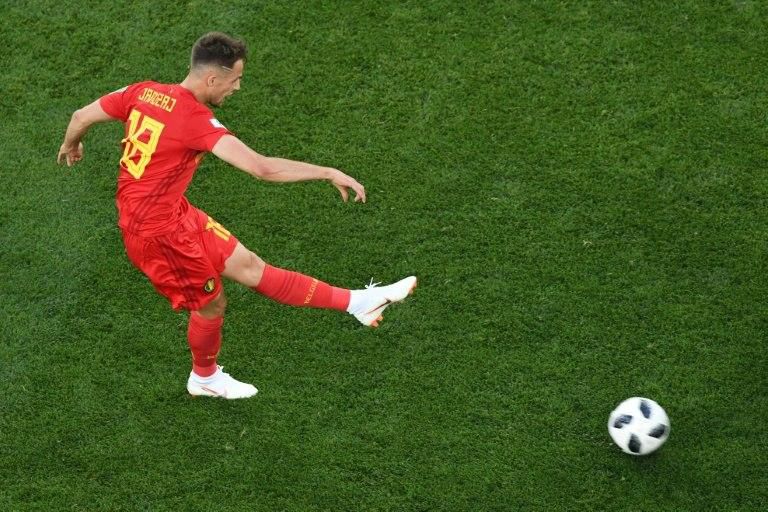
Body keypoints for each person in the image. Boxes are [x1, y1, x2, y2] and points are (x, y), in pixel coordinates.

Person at [57, 32, 417, 400]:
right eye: (235, 80)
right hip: (157, 235)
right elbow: (261, 168)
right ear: (212, 79)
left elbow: (81, 115)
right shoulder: (194, 120)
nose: (238, 87)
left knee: (249, 266)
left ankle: (358, 303)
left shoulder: (142, 91)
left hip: (173, 214)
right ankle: (205, 378)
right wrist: (326, 171)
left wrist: (72, 142)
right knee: (212, 305)